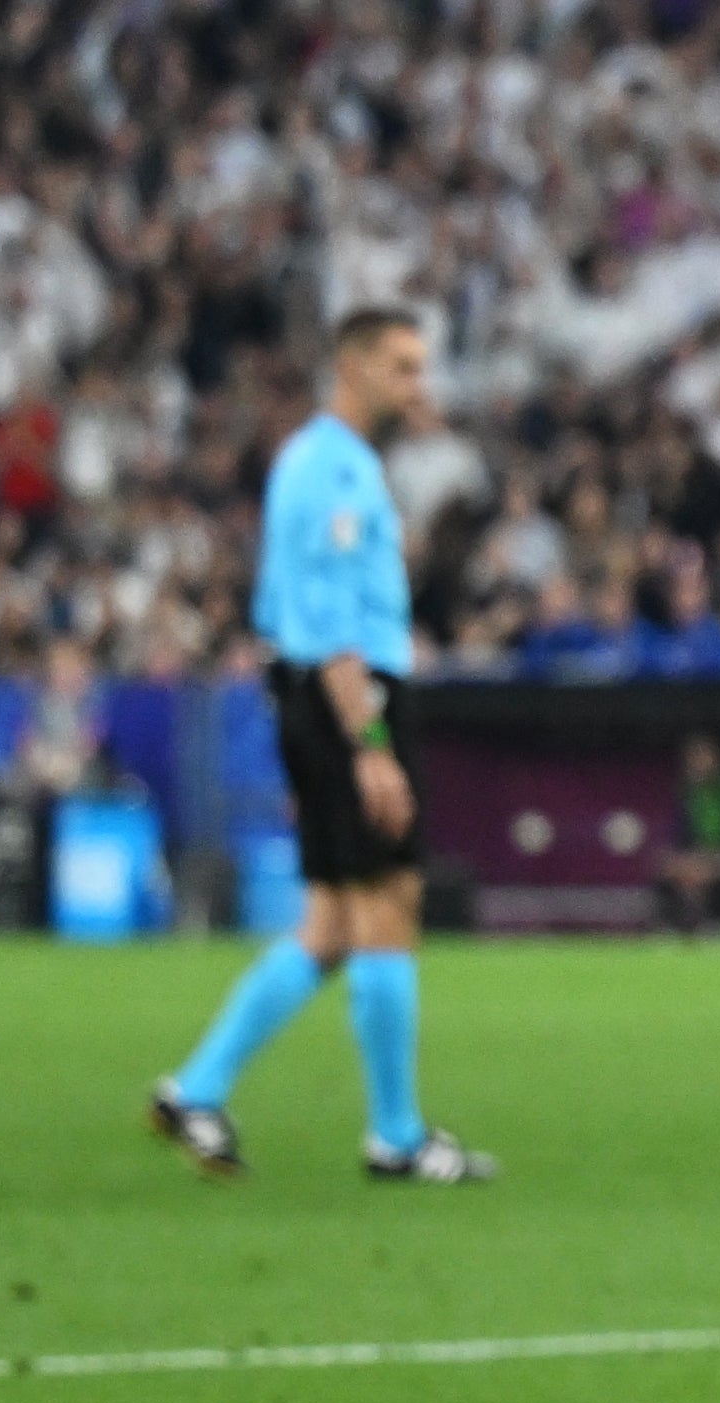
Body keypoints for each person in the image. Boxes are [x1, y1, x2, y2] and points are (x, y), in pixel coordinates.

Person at [148, 307, 495, 1184]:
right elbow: (334, 619)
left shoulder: (330, 461)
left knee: (335, 923)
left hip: (321, 697)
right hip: (348, 697)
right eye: (403, 368)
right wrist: (370, 739)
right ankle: (397, 1138)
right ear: (354, 369)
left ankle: (198, 1088)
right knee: (388, 903)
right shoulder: (332, 465)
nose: (419, 385)